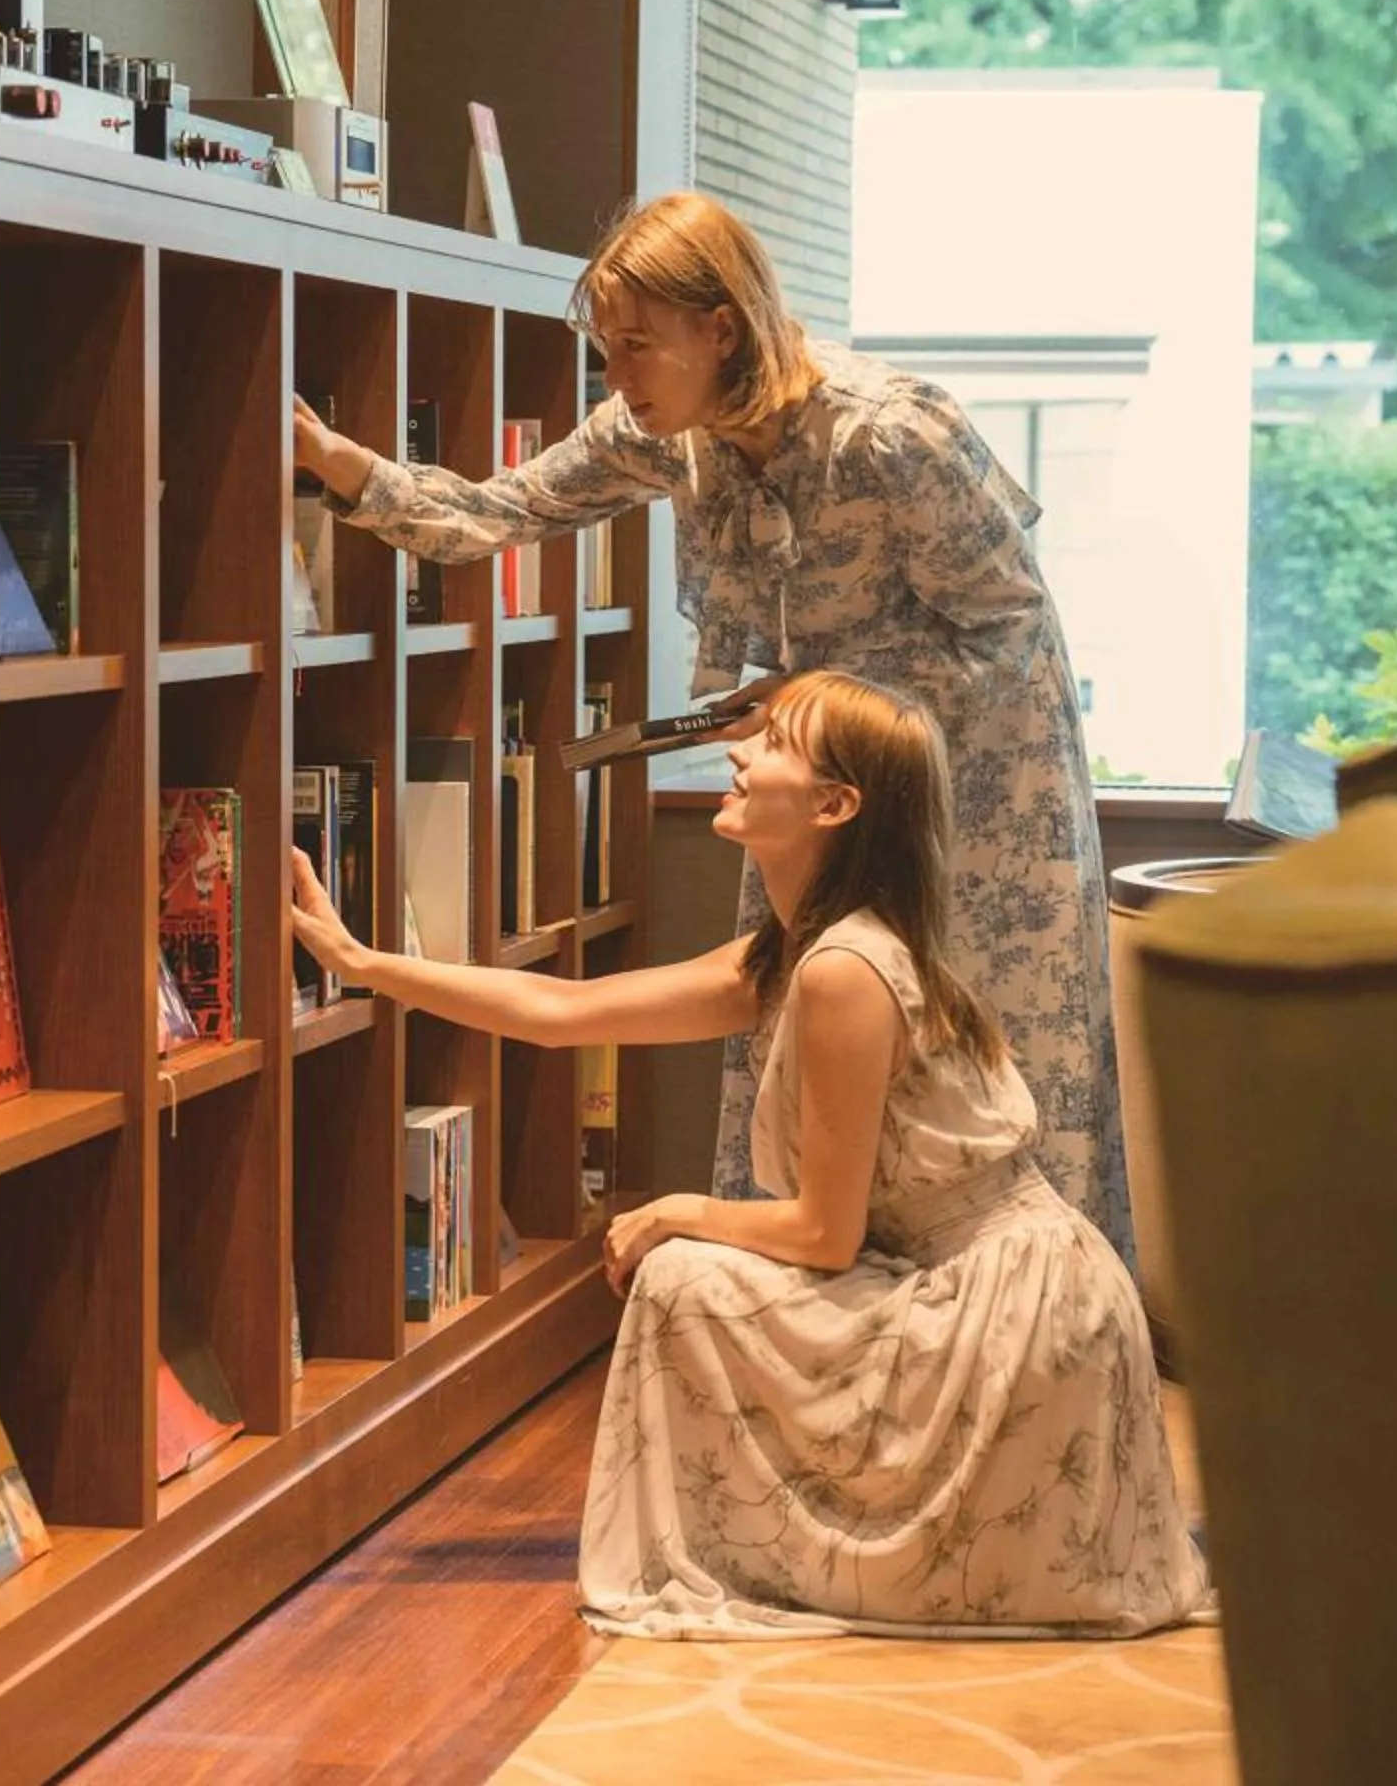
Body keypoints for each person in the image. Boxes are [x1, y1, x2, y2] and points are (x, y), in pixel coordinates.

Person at [293, 191, 1136, 1264]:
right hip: (818, 781)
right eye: (608, 349)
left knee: (993, 1063)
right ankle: (839, 1319)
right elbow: (500, 513)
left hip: (986, 791)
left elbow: (1012, 635)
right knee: (808, 1022)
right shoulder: (666, 437)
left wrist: (817, 686)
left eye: (638, 346)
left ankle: (1030, 1320)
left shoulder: (891, 432)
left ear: (720, 327)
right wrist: (340, 464)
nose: (620, 377)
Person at [286, 671, 1205, 1637]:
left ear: (834, 805)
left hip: (1010, 1312)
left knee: (682, 1272)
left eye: (772, 745)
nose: (737, 754)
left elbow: (822, 1232)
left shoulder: (845, 971)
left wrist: (675, 1209)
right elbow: (562, 1014)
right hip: (975, 1284)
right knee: (686, 1268)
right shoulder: (795, 950)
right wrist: (361, 964)